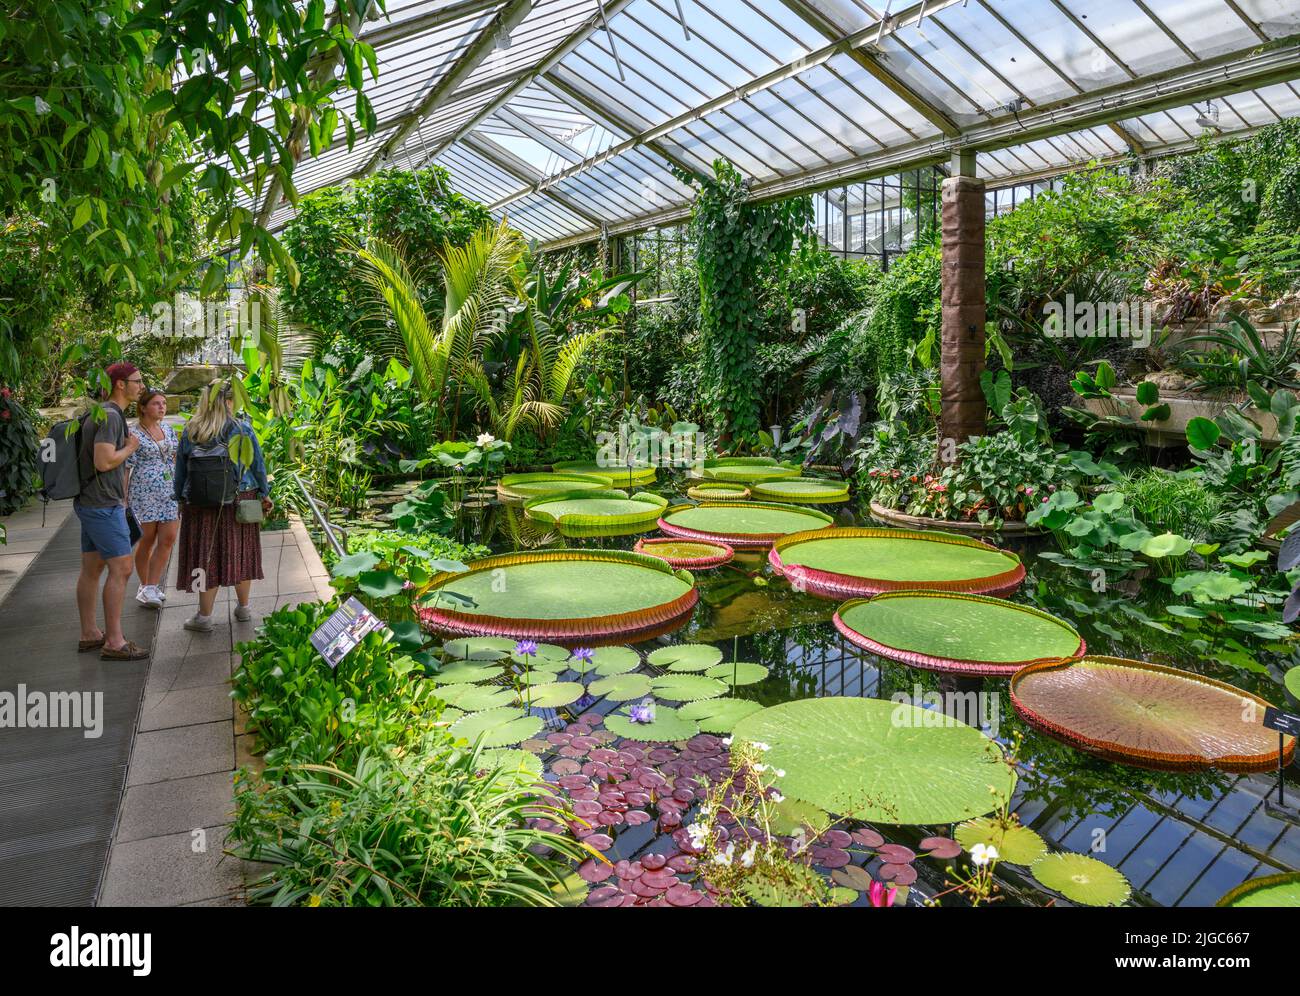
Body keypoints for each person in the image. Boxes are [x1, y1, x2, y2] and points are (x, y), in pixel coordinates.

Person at [174, 379, 272, 632]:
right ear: (229, 401)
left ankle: (204, 617)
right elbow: (257, 465)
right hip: (240, 499)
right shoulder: (242, 428)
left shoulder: (191, 429)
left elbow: (181, 471)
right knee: (242, 551)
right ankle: (243, 608)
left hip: (200, 503)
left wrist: (180, 499)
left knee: (204, 557)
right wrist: (265, 493)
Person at [75, 361, 150, 660]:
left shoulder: (103, 412)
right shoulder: (110, 416)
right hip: (103, 504)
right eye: (137, 380)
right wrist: (131, 447)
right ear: (120, 384)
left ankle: (90, 633)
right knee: (122, 567)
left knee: (92, 568)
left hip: (91, 502)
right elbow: (103, 461)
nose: (141, 386)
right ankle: (114, 642)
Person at [126, 388, 180, 609]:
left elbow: (176, 457)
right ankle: (146, 586)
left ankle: (152, 585)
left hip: (169, 491)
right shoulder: (133, 433)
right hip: (143, 492)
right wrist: (123, 498)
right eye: (156, 403)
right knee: (147, 540)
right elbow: (126, 467)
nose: (162, 407)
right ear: (143, 407)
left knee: (168, 538)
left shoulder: (168, 428)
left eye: (164, 403)